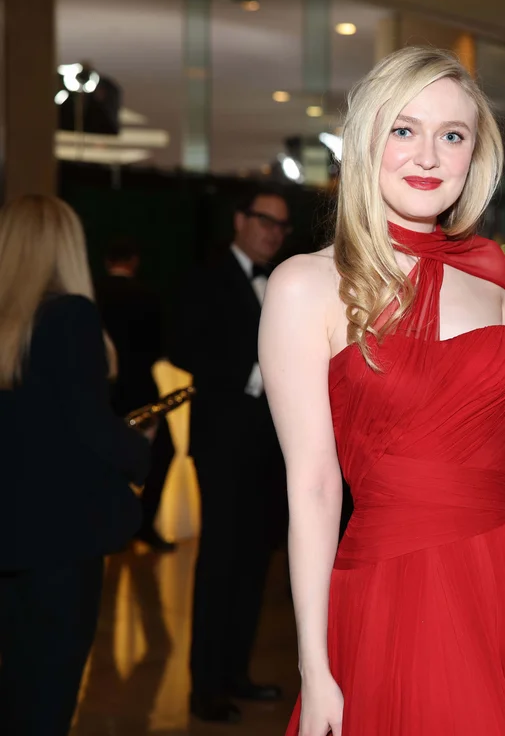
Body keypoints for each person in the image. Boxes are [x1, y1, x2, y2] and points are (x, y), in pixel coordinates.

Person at [261, 47, 505, 736]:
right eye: (404, 130)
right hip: (401, 583)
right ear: (367, 140)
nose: (429, 156)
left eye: (452, 135)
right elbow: (313, 485)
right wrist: (315, 666)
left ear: (474, 155)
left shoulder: (489, 276)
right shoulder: (306, 285)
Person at [0, 194, 152, 736]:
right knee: (46, 698)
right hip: (59, 543)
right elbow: (91, 427)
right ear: (65, 247)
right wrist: (140, 449)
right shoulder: (70, 315)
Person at [169, 188, 291, 722]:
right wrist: (258, 367)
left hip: (271, 446)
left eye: (281, 225)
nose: (273, 232)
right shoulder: (207, 278)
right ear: (240, 220)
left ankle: (237, 672)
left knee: (254, 564)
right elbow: (182, 346)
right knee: (220, 562)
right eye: (265, 220)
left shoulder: (283, 281)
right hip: (223, 442)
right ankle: (205, 686)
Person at [95, 237, 177, 552]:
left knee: (103, 458)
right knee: (161, 453)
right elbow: (161, 347)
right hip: (141, 390)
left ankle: (105, 523)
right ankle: (141, 524)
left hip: (103, 391)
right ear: (134, 262)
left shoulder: (90, 293)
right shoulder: (148, 296)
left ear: (107, 262)